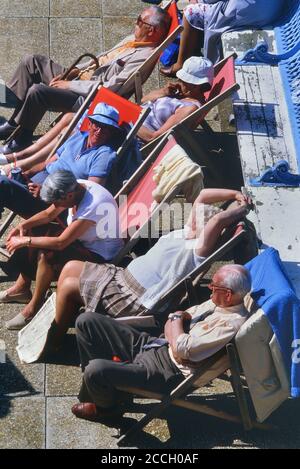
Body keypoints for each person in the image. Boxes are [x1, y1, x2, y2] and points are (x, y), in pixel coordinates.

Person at [38, 188, 251, 349]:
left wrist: (243, 207)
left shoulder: (197, 251)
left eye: (203, 221)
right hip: (120, 278)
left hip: (134, 299)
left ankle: (53, 342)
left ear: (209, 232)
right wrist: (234, 194)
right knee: (70, 267)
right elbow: (203, 195)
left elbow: (218, 220)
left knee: (67, 286)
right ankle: (61, 319)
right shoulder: (187, 231)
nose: (196, 218)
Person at [71, 263, 251, 421]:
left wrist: (176, 328)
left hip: (165, 371)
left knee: (95, 370)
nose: (210, 288)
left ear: (228, 294)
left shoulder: (230, 324)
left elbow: (181, 345)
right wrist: (176, 328)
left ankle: (108, 410)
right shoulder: (217, 303)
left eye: (214, 286)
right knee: (86, 321)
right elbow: (176, 317)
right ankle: (107, 392)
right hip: (157, 344)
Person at [0, 6, 171, 153]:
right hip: (83, 79)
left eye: (140, 21)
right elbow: (102, 58)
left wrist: (69, 84)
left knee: (38, 92)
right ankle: (15, 122)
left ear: (152, 30)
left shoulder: (143, 57)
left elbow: (111, 89)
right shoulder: (132, 40)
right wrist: (76, 70)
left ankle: (22, 139)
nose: (136, 23)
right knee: (31, 61)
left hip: (90, 97)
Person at [3, 170, 123, 330]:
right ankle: (21, 289)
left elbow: (61, 243)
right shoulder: (75, 186)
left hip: (98, 254)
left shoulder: (95, 204)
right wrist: (22, 226)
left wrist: (26, 241)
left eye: (58, 203)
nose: (58, 207)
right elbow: (48, 214)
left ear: (68, 196)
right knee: (33, 232)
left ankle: (33, 308)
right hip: (81, 242)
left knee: (47, 254)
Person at [0, 103, 122, 219]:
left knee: (2, 184)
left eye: (106, 128)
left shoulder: (104, 155)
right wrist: (28, 173)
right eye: (97, 125)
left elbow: (90, 192)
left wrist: (49, 192)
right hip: (34, 186)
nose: (99, 131)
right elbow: (48, 163)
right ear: (90, 124)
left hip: (57, 203)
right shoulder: (78, 136)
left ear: (111, 132)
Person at [160, 0, 285, 75]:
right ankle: (192, 48)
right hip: (273, 9)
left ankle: (181, 65)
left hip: (250, 12)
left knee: (191, 12)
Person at [137, 56, 213, 143]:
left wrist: (129, 121)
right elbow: (142, 101)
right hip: (131, 119)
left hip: (134, 136)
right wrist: (164, 92)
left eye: (183, 80)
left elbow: (154, 138)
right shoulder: (180, 94)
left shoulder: (189, 108)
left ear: (196, 85)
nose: (179, 81)